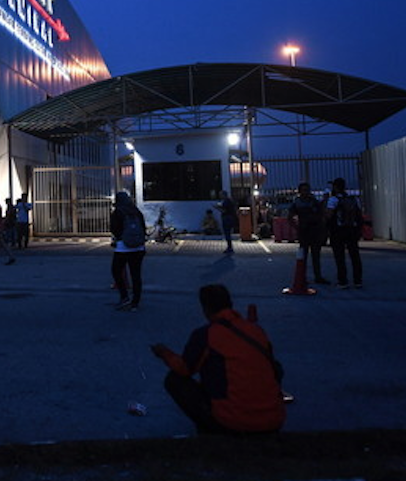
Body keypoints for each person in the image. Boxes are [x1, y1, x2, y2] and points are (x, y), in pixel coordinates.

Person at [151, 284, 285, 435]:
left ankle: (211, 427)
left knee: (175, 380)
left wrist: (164, 353)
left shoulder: (207, 334)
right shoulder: (256, 331)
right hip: (273, 420)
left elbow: (184, 368)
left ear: (205, 309)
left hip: (232, 421)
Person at [109, 191, 147, 311]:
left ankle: (124, 297)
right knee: (136, 275)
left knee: (116, 271)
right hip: (139, 248)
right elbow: (143, 227)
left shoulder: (118, 212)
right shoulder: (136, 211)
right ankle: (135, 302)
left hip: (123, 248)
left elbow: (114, 229)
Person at [288, 182, 330, 284]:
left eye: (307, 190)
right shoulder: (298, 203)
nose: (306, 192)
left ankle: (317, 276)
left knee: (315, 255)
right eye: (304, 190)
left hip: (314, 231)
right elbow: (290, 216)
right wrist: (297, 227)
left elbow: (321, 213)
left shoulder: (312, 201)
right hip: (304, 231)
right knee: (304, 256)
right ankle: (303, 277)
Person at [326, 177, 364, 288]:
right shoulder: (353, 199)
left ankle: (342, 281)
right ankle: (357, 280)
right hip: (351, 229)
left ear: (335, 187)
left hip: (338, 231)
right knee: (354, 255)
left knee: (340, 257)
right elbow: (359, 215)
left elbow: (329, 215)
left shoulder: (333, 200)